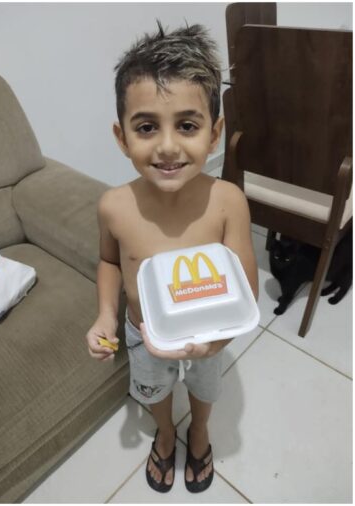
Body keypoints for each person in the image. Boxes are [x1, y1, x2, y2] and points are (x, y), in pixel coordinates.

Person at [85, 22, 258, 494]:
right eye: (146, 127)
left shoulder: (228, 202)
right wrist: (105, 316)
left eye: (187, 125)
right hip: (144, 333)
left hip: (209, 328)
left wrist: (219, 341)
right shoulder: (114, 206)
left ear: (215, 133)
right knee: (153, 391)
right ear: (122, 138)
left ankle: (198, 430)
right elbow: (109, 263)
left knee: (205, 389)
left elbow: (246, 285)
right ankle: (165, 432)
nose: (166, 145)